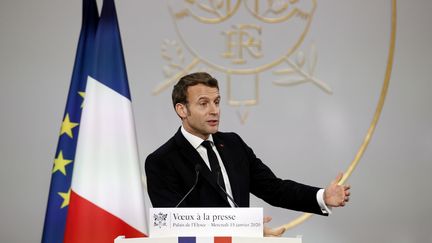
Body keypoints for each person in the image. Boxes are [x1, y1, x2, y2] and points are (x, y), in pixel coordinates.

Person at [145, 72, 350, 216]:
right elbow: (175, 224)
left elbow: (274, 188)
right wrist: (243, 229)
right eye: (203, 103)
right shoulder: (161, 161)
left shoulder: (233, 144)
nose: (214, 110)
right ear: (182, 110)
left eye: (216, 102)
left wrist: (322, 196)